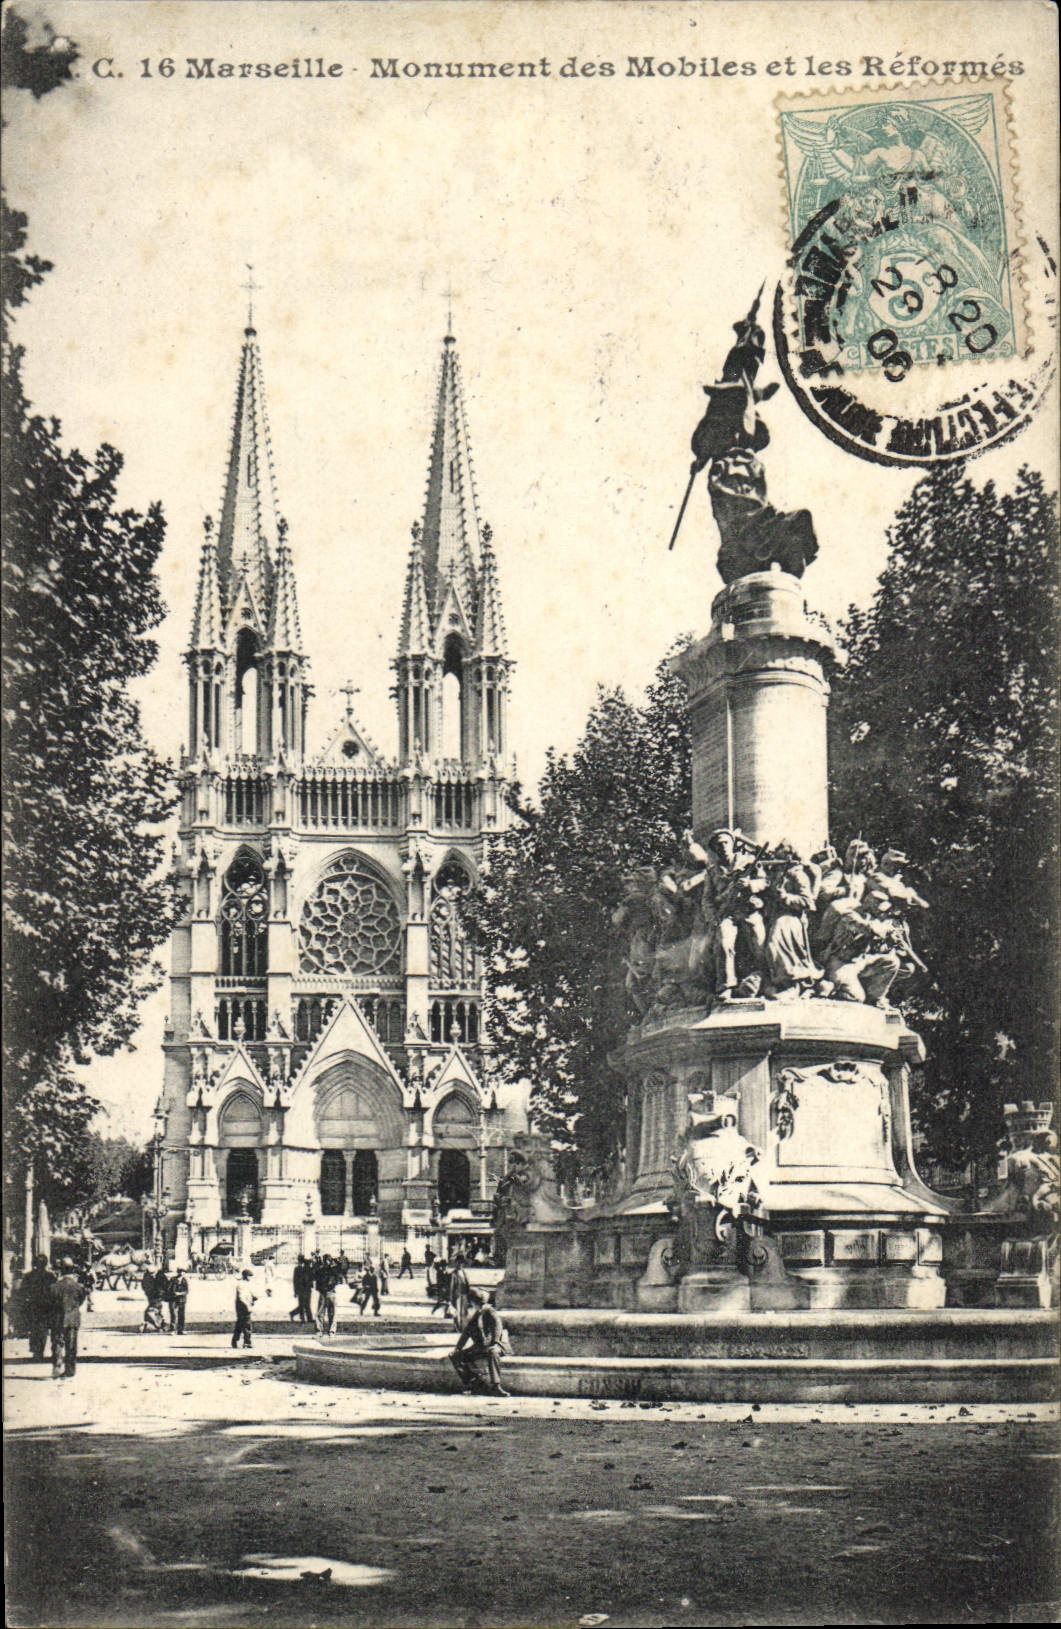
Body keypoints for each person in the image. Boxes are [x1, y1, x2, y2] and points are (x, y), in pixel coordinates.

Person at [450, 1290, 510, 1396]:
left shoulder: (491, 1312)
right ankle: (475, 1383)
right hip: (481, 1346)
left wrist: (495, 1343)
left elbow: (497, 1328)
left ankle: (496, 1386)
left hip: (497, 1344)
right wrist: (458, 1347)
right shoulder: (478, 1314)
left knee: (493, 1353)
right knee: (456, 1356)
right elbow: (467, 1332)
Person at [50, 1258, 87, 1379]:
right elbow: (80, 1300)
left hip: (58, 1318)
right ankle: (70, 1370)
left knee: (57, 1342)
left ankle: (57, 1364)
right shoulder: (78, 1286)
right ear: (72, 1270)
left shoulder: (54, 1287)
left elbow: (51, 1302)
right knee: (71, 1345)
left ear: (61, 1270)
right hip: (72, 1318)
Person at [19, 1254, 56, 1363]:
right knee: (43, 1330)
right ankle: (39, 1351)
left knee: (34, 1329)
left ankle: (36, 1351)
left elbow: (23, 1292)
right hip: (46, 1307)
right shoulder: (50, 1276)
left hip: (33, 1306)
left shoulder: (28, 1276)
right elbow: (53, 1292)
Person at [232, 1269, 256, 1349]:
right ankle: (247, 1342)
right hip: (242, 1306)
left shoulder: (247, 1284)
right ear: (245, 1276)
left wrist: (253, 1297)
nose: (251, 1278)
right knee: (247, 1324)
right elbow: (241, 1297)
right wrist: (247, 1306)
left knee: (240, 1324)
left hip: (245, 1306)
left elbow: (250, 1293)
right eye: (250, 1276)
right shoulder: (241, 1285)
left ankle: (235, 1340)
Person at [447, 1254, 470, 1331]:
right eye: (459, 1262)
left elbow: (467, 1284)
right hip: (457, 1295)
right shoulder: (453, 1274)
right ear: (456, 1263)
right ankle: (457, 1328)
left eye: (462, 1263)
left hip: (465, 1295)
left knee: (464, 1312)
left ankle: (464, 1327)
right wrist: (450, 1299)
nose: (460, 1264)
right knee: (457, 1312)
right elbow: (451, 1287)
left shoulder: (464, 1272)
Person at [290, 1255, 313, 1325]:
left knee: (307, 1304)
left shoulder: (307, 1268)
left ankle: (309, 1319)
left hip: (307, 1289)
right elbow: (295, 1281)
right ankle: (302, 1319)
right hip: (300, 1289)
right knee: (302, 1305)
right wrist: (295, 1291)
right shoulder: (297, 1269)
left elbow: (310, 1277)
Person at [168, 1269, 189, 1335]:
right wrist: (174, 1293)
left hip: (182, 1300)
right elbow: (170, 1289)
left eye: (183, 1273)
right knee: (173, 1314)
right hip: (173, 1299)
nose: (182, 1274)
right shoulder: (173, 1280)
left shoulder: (184, 1280)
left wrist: (179, 1293)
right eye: (180, 1272)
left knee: (181, 1315)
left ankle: (181, 1330)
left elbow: (187, 1291)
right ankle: (173, 1330)